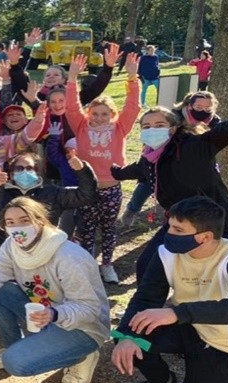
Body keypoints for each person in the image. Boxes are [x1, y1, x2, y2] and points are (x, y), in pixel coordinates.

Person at [111, 74, 228, 282]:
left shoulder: (195, 146)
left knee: (210, 280)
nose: (152, 130)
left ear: (173, 129)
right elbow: (134, 170)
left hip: (217, 225)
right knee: (147, 267)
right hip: (180, 223)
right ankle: (148, 301)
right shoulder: (149, 158)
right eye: (147, 127)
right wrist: (113, 172)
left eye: (159, 125)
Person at [111, 196, 228, 383]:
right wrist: (127, 336)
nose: (168, 233)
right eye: (169, 225)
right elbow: (145, 298)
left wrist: (176, 313)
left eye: (178, 229)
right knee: (130, 334)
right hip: (189, 326)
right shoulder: (166, 253)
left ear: (205, 237)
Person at [0, 197, 109, 383]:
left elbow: (89, 308)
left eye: (24, 220)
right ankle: (13, 346)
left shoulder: (68, 256)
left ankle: (82, 355)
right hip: (44, 313)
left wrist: (55, 314)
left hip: (82, 327)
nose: (17, 228)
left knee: (15, 363)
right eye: (10, 222)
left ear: (40, 220)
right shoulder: (12, 246)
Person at [66, 53, 141, 284]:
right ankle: (88, 265)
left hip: (111, 188)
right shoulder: (81, 126)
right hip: (88, 188)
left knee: (108, 229)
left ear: (113, 115)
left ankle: (107, 265)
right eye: (95, 114)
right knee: (87, 229)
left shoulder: (119, 128)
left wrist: (132, 77)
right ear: (88, 114)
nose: (99, 118)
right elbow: (71, 107)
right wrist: (72, 78)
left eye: (104, 114)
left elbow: (133, 107)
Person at [118, 91, 222, 228]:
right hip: (162, 153)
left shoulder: (214, 121)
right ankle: (132, 210)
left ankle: (176, 217)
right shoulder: (175, 116)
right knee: (148, 183)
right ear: (189, 105)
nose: (203, 111)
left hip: (191, 159)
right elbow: (155, 132)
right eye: (198, 107)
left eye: (207, 108)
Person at [0, 151, 97, 245]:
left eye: (29, 168)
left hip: (46, 249)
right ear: (12, 174)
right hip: (11, 253)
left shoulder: (52, 192)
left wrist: (82, 170)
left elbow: (85, 195)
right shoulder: (1, 193)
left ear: (36, 172)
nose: (25, 171)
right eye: (19, 168)